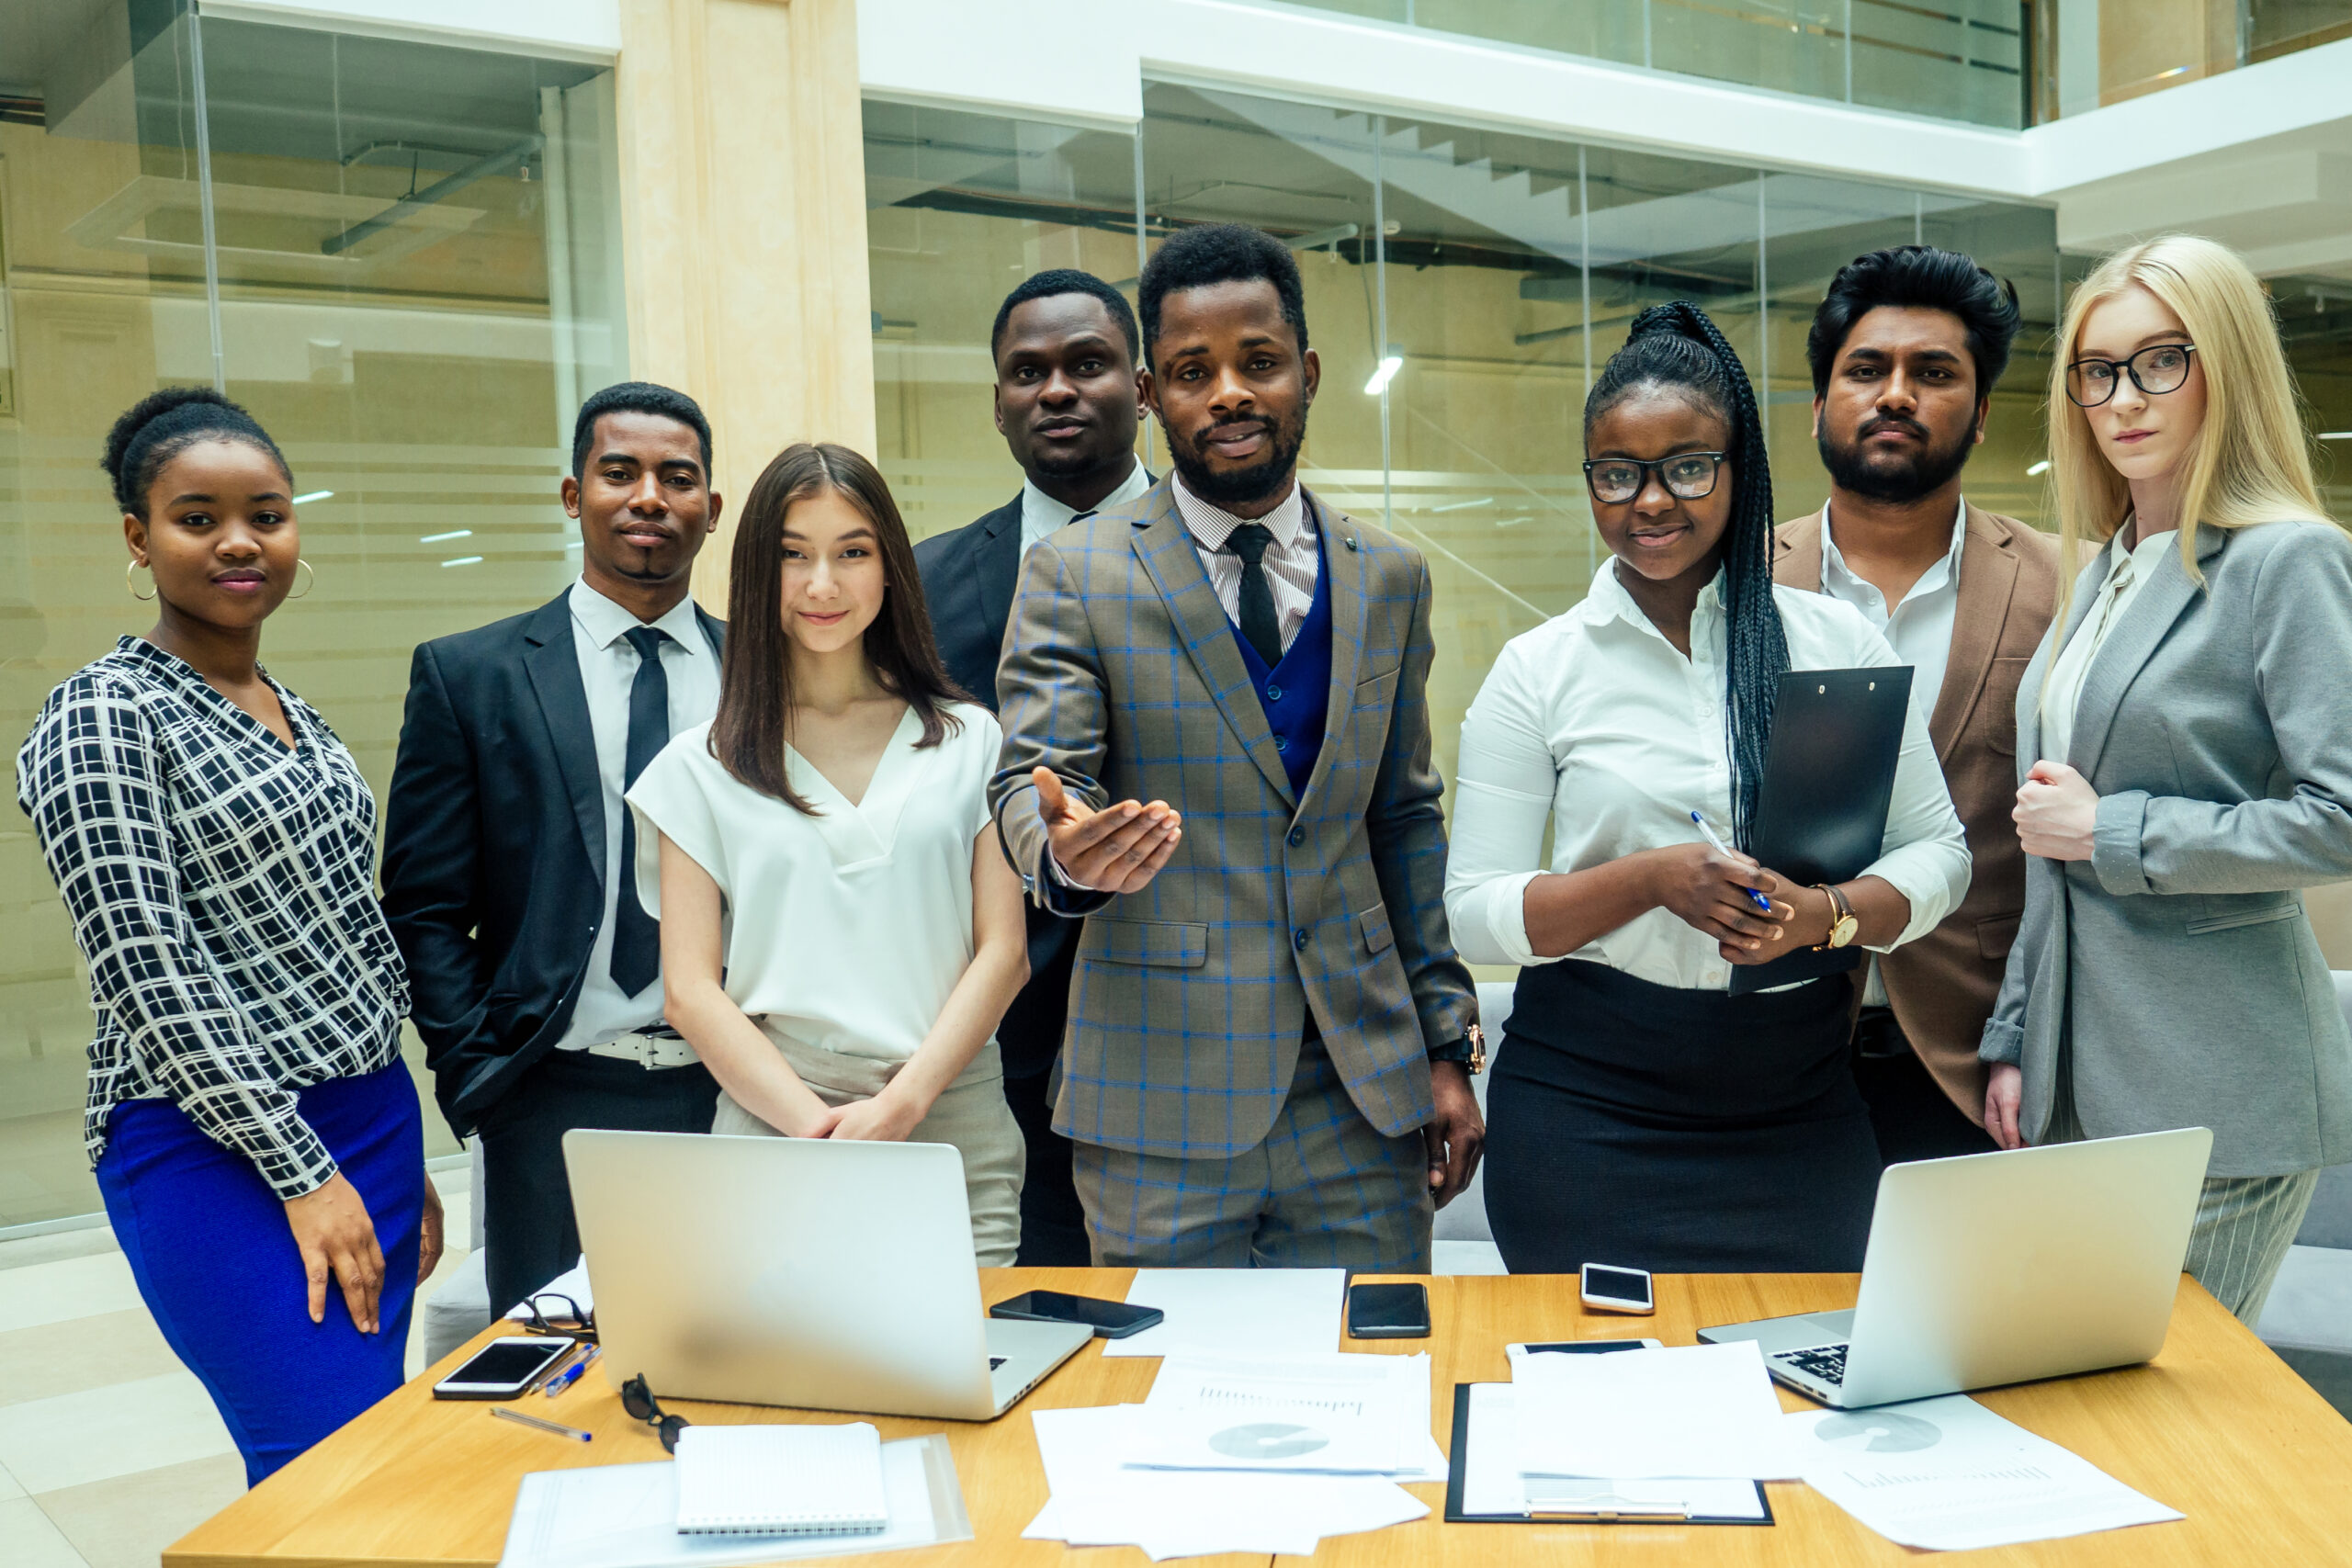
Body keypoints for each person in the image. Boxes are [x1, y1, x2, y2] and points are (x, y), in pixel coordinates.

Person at [990, 222, 1483, 1271]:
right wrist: (1062, 850)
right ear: (1150, 390)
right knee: (1156, 1395)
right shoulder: (1076, 575)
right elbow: (1034, 783)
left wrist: (1447, 1047)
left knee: (1377, 1378)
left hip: (1362, 1093)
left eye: (1256, 363)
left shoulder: (1389, 576)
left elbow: (1402, 822)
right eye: (1189, 371)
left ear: (1304, 374)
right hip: (1157, 1100)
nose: (1226, 394)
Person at [1446, 303, 1969, 1276]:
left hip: (1797, 1109)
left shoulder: (1832, 645)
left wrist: (1826, 915)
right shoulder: (1538, 669)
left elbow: (1939, 854)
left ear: (1739, 473)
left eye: (1687, 467)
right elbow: (1474, 915)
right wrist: (1650, 881)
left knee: (1802, 1401)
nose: (1651, 501)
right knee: (1604, 1402)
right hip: (1589, 1112)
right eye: (1617, 474)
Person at [17, 389, 438, 1484]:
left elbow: (349, 929)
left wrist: (402, 1154)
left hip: (370, 1122)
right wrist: (306, 1175)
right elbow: (154, 973)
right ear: (138, 538)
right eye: (198, 517)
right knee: (324, 1469)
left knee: (369, 1461)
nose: (241, 540)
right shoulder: (104, 713)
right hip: (213, 1147)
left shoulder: (295, 711)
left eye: (269, 513)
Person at [1982, 234, 2352, 1324]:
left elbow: (2341, 819)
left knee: (2162, 1433)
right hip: (2078, 1079)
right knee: (2092, 1419)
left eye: (2160, 361)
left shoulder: (2289, 560)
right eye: (2096, 371)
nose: (2122, 398)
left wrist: (2117, 831)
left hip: (2218, 1089)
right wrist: (2013, 1039)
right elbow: (2044, 840)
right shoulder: (2103, 570)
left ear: (2224, 365)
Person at [629, 443, 1029, 1261]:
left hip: (952, 1116)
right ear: (754, 572)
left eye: (852, 551)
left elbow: (1005, 953)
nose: (822, 584)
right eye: (792, 555)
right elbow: (690, 992)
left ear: (890, 568)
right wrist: (823, 1131)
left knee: (961, 1377)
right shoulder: (695, 767)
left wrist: (902, 1106)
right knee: (773, 1388)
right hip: (775, 1121)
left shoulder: (969, 739)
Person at [382, 382, 725, 1314]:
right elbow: (422, 905)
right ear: (574, 496)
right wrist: (479, 1078)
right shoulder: (470, 675)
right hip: (552, 1096)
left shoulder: (763, 678)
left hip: (739, 1096)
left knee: (735, 1362)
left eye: (677, 477)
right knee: (555, 1387)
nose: (648, 496)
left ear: (711, 510)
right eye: (619, 472)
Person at [1774, 245, 2069, 1165]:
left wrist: (2031, 1037)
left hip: (1978, 1070)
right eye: (1866, 370)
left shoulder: (2072, 583)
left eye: (1932, 374)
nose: (1895, 393)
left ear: (1979, 416)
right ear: (1821, 405)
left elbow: (2068, 865)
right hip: (1763, 1063)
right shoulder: (1731, 585)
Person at [913, 269, 1151, 1265]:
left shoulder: (1232, 559)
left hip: (1207, 1031)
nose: (1054, 390)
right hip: (1005, 1044)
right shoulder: (921, 586)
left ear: (1141, 387)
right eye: (1027, 372)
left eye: (1086, 364)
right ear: (998, 404)